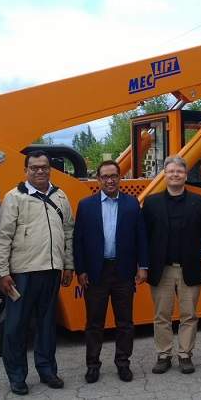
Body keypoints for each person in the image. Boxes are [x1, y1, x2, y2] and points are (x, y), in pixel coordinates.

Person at [0, 150, 75, 396]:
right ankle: (17, 376)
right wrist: (2, 272)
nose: (40, 171)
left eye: (44, 167)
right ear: (26, 170)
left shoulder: (60, 196)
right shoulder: (14, 197)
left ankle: (47, 370)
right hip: (22, 274)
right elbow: (2, 236)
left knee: (47, 325)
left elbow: (68, 232)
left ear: (50, 169)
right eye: (34, 167)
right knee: (16, 327)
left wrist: (68, 265)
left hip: (51, 271)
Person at [73, 160, 149, 384]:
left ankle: (123, 363)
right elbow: (78, 240)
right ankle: (92, 365)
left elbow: (141, 237)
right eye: (105, 176)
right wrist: (80, 270)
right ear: (98, 179)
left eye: (114, 176)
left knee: (125, 322)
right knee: (94, 323)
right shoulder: (86, 205)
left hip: (123, 271)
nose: (110, 180)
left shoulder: (132, 204)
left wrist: (143, 266)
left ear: (120, 178)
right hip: (95, 272)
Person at [142, 155, 201, 375]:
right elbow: (144, 234)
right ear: (164, 174)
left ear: (185, 175)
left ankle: (185, 354)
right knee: (161, 315)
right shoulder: (151, 203)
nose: (175, 174)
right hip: (161, 268)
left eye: (179, 171)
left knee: (189, 315)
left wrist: (192, 252)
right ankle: (164, 355)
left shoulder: (200, 202)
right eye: (171, 171)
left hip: (188, 267)